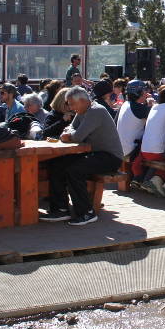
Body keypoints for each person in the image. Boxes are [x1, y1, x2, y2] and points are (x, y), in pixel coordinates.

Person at [49, 87, 124, 225]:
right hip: (95, 153)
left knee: (75, 170)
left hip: (110, 157)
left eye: (72, 104)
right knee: (57, 164)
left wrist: (68, 135)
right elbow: (70, 128)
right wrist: (69, 134)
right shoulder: (83, 110)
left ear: (83, 101)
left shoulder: (96, 111)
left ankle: (86, 213)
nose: (70, 107)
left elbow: (77, 136)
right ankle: (61, 209)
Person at [134, 87, 165, 189]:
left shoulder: (154, 107)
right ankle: (160, 182)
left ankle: (143, 180)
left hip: (144, 150)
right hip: (157, 153)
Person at [115, 80, 151, 162]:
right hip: (131, 151)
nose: (146, 93)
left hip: (119, 150)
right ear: (138, 93)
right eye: (145, 90)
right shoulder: (139, 108)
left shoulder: (124, 105)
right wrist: (150, 105)